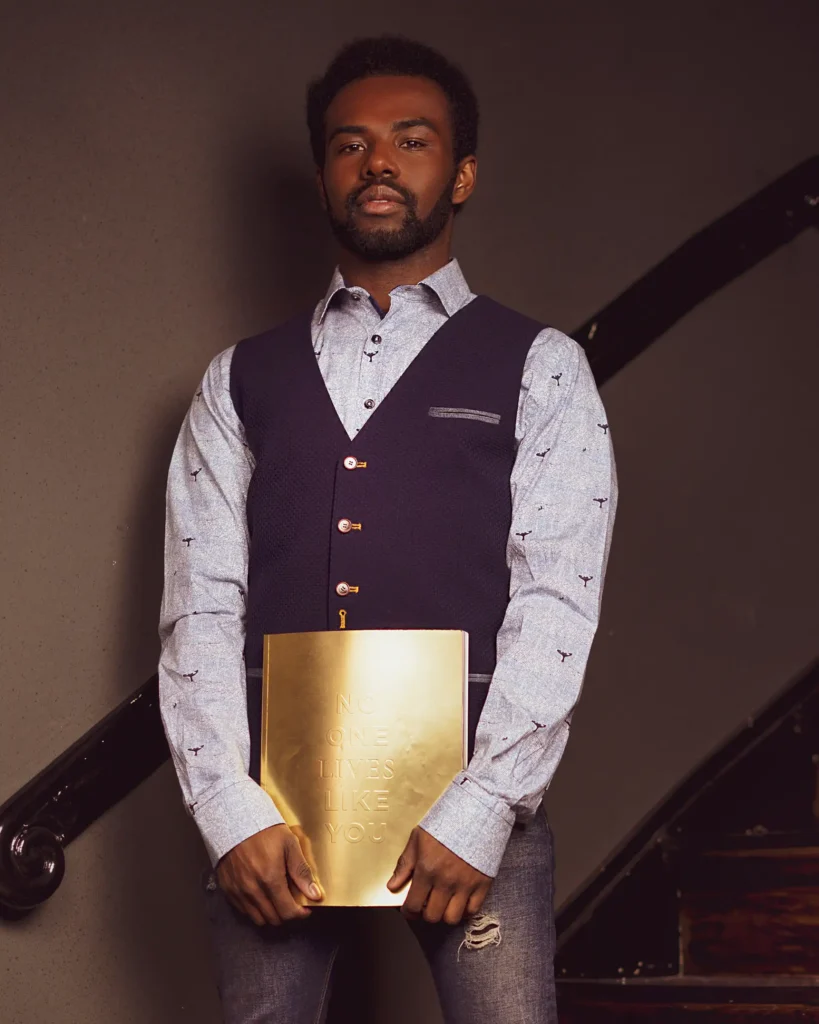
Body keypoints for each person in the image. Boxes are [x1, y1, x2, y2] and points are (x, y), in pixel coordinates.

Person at [158, 34, 617, 1024]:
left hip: (474, 789)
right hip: (269, 806)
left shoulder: (541, 367)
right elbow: (198, 607)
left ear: (461, 174)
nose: (376, 164)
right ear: (325, 175)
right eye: (349, 144)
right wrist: (228, 814)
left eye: (410, 142)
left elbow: (556, 598)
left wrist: (487, 804)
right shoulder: (235, 381)